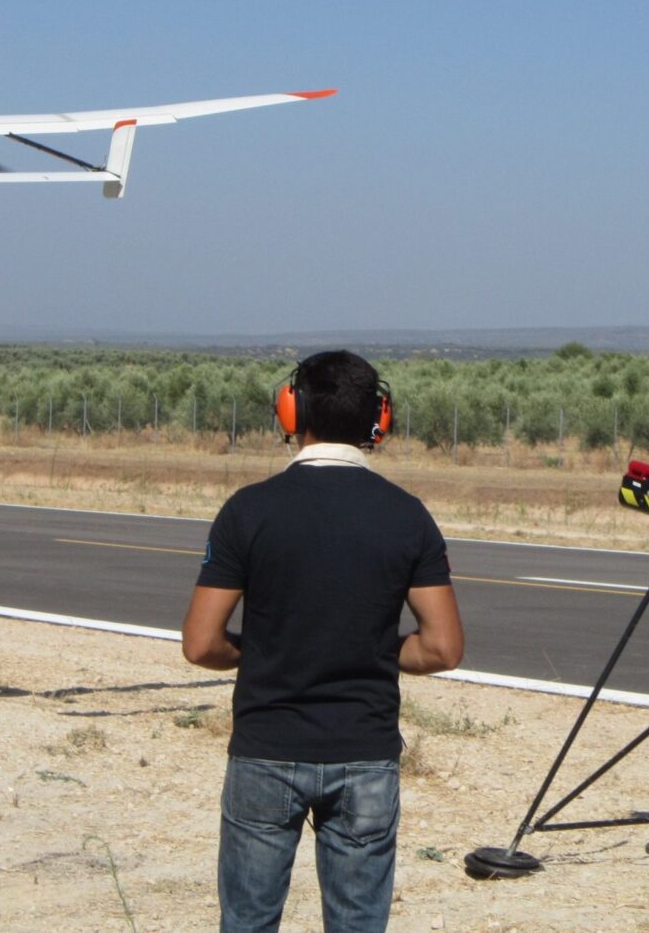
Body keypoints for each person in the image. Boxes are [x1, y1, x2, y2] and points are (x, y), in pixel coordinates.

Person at [181, 350, 464, 933]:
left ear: (293, 411)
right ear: (377, 419)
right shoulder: (408, 516)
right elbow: (442, 649)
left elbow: (201, 643)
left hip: (266, 746)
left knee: (248, 921)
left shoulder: (247, 511)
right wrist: (375, 653)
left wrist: (259, 653)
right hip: (364, 750)